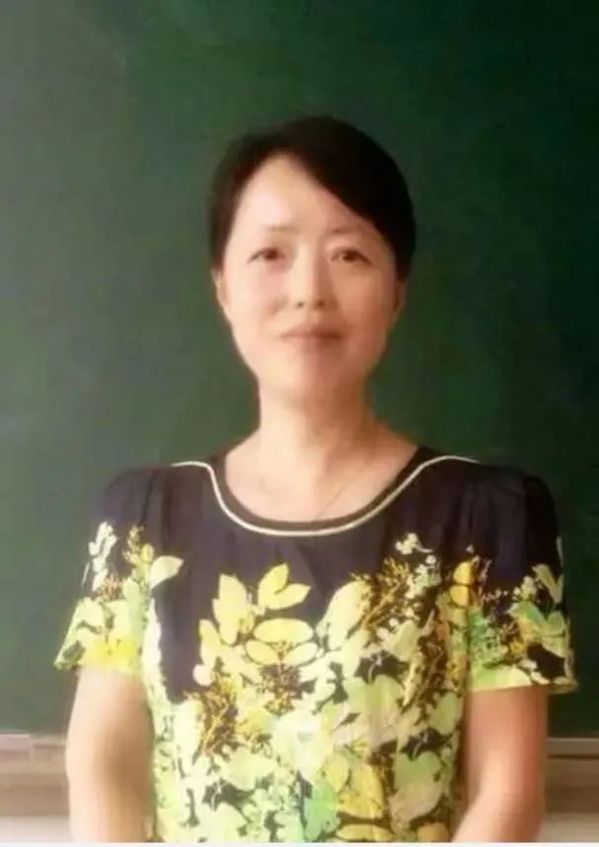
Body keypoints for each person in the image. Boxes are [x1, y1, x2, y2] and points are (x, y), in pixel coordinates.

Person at [55, 115, 576, 843]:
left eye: (349, 255)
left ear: (397, 291)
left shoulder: (490, 518)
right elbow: (103, 761)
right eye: (270, 253)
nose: (309, 290)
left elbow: (507, 790)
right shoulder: (141, 518)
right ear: (222, 287)